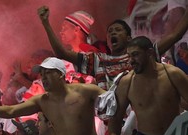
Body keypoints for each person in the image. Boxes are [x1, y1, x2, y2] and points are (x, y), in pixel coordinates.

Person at [109, 36, 188, 135]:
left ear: (150, 53)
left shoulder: (172, 74)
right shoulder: (127, 82)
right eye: (129, 56)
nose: (131, 60)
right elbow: (115, 119)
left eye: (136, 55)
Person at [38, 6, 188, 89]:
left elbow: (175, 35)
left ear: (129, 37)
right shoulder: (98, 61)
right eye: (110, 32)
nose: (112, 34)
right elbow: (61, 53)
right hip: (114, 126)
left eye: (117, 30)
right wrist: (46, 24)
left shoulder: (142, 54)